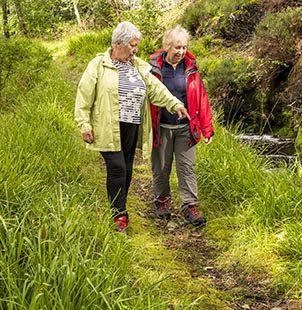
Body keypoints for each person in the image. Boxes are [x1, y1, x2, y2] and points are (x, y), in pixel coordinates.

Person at [75, 21, 189, 233]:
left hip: (132, 125)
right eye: (133, 45)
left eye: (136, 45)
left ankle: (120, 208)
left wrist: (175, 104)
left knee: (126, 169)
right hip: (107, 125)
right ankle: (119, 215)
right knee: (117, 167)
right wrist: (84, 124)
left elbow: (156, 89)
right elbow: (84, 95)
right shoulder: (99, 64)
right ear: (119, 43)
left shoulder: (138, 66)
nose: (135, 50)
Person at [147, 25, 214, 227]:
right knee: (161, 168)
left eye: (184, 47)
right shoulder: (153, 69)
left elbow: (201, 98)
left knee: (187, 168)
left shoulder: (190, 69)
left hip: (186, 128)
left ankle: (190, 206)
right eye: (177, 47)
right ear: (167, 46)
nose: (181, 52)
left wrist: (207, 128)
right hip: (161, 127)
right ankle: (162, 203)